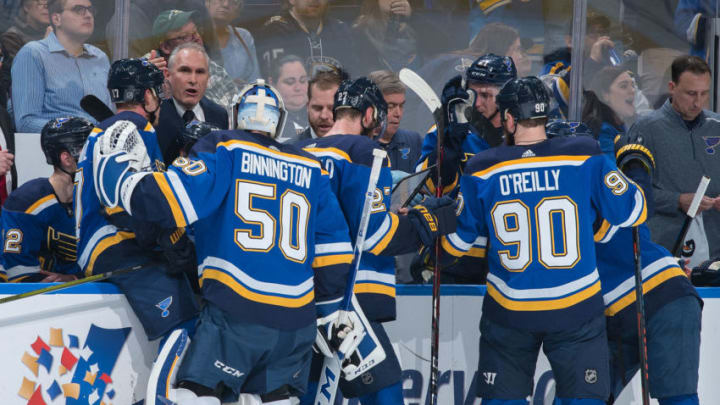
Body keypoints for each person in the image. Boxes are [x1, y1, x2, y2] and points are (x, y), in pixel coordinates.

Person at [89, 79, 362, 405]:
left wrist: (117, 175)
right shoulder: (311, 167)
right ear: (280, 120)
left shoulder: (224, 147)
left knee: (196, 395)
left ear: (236, 115)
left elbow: (169, 201)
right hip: (296, 322)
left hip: (237, 310)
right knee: (274, 399)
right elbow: (333, 253)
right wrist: (330, 309)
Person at [440, 76, 647, 403]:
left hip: (509, 312)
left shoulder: (482, 168)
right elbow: (632, 211)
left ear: (508, 119)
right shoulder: (583, 154)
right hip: (576, 310)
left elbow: (453, 246)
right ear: (546, 115)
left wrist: (439, 214)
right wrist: (631, 173)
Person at [297, 77, 457, 404]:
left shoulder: (299, 151)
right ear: (369, 114)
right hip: (348, 297)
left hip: (302, 294)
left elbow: (343, 217)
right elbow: (373, 236)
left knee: (311, 392)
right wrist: (426, 221)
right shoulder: (365, 151)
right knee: (384, 391)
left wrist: (395, 215)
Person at [76, 58, 199, 343]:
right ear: (147, 95)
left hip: (120, 244)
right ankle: (170, 389)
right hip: (113, 244)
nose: (160, 98)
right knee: (182, 328)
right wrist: (163, 237)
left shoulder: (125, 128)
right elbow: (117, 201)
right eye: (157, 91)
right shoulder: (127, 127)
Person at [594, 132, 702, 405]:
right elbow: (641, 200)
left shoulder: (587, 186)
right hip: (618, 312)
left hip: (664, 299)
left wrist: (635, 165)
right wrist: (636, 165)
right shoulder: (615, 186)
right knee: (584, 396)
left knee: (678, 398)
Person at [625, 55, 720, 259]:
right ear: (672, 87)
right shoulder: (645, 129)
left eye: (704, 94)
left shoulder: (717, 125)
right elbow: (632, 192)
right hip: (666, 249)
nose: (698, 102)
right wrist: (677, 200)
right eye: (691, 93)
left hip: (715, 249)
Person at [0, 117, 89, 283]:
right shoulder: (25, 203)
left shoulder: (96, 199)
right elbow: (18, 276)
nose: (95, 157)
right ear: (67, 158)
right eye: (87, 150)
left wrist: (74, 278)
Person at [11, 0, 112, 132]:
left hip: (102, 147)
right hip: (59, 147)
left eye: (90, 9)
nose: (88, 15)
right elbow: (26, 123)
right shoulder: (34, 54)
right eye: (78, 9)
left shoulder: (100, 57)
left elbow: (111, 117)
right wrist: (78, 130)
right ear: (56, 19)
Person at [156, 42, 229, 166]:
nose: (193, 80)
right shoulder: (155, 116)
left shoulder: (219, 115)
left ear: (208, 78)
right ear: (167, 75)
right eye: (185, 70)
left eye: (200, 72)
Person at [148, 9, 238, 108]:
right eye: (185, 36)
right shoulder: (146, 71)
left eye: (196, 31)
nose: (197, 38)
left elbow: (233, 111)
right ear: (165, 47)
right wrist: (148, 83)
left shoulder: (213, 68)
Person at [255, 0, 360, 78]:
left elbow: (353, 75)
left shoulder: (340, 29)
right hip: (294, 104)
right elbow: (278, 82)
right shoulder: (275, 29)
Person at [369, 70, 421, 173]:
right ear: (371, 107)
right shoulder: (358, 146)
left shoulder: (414, 142)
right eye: (390, 106)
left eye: (401, 106)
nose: (398, 114)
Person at [582, 67, 637, 156]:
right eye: (623, 86)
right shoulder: (602, 131)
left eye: (633, 85)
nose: (633, 90)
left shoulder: (622, 125)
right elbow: (611, 168)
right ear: (605, 95)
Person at [205, 0, 260, 86]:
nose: (226, 4)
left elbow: (254, 81)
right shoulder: (193, 36)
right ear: (206, 2)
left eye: (233, 1)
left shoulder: (244, 37)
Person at [293, 67, 345, 143]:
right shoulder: (287, 152)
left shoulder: (359, 149)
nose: (324, 116)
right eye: (317, 108)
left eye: (331, 108)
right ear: (307, 107)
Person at [269, 54, 308, 142]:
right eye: (290, 82)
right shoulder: (265, 122)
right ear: (272, 83)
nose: (298, 88)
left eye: (303, 81)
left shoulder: (325, 113)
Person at [0, 0, 50, 67]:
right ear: (26, 7)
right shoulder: (12, 37)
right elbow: (24, 71)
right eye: (41, 2)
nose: (46, 6)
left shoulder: (59, 33)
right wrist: (45, 45)